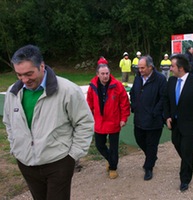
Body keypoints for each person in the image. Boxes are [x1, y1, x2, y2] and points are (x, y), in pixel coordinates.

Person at [2, 45, 94, 199]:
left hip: (58, 163)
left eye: (29, 74)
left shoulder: (68, 90)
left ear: (42, 66)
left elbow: (84, 123)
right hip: (26, 163)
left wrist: (73, 155)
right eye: (19, 75)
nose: (24, 80)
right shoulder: (13, 92)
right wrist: (15, 147)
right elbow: (9, 122)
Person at [163, 54, 193, 192]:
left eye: (172, 66)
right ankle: (188, 162)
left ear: (181, 68)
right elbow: (166, 100)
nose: (170, 68)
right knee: (177, 144)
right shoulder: (171, 81)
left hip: (190, 124)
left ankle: (185, 179)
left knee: (187, 152)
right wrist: (167, 117)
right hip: (175, 123)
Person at [87, 57, 130, 179]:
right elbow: (89, 102)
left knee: (114, 147)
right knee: (99, 145)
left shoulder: (117, 85)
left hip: (114, 120)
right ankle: (110, 159)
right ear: (97, 74)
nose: (105, 76)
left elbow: (124, 103)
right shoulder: (93, 86)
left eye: (107, 73)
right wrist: (88, 117)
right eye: (102, 74)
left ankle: (113, 167)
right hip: (99, 121)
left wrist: (124, 118)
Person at [129, 55, 167, 181]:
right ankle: (152, 156)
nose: (140, 70)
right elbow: (133, 92)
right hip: (139, 117)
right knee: (140, 140)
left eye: (142, 68)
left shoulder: (160, 79)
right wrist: (134, 105)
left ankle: (148, 167)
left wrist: (155, 112)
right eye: (139, 68)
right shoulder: (138, 78)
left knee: (151, 145)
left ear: (150, 67)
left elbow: (163, 98)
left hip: (154, 120)